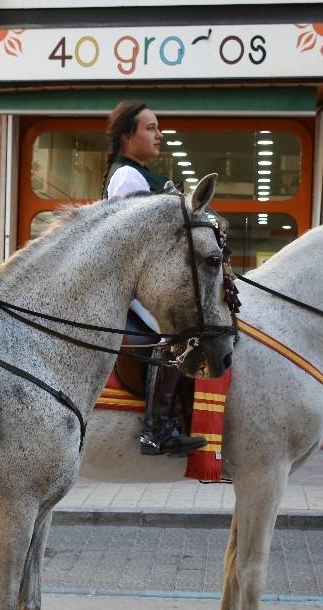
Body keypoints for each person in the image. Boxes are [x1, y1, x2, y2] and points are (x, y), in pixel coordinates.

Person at [104, 101, 206, 457]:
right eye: (150, 128)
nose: (158, 134)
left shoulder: (141, 174)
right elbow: (137, 240)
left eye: (157, 127)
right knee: (177, 332)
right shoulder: (127, 177)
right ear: (127, 135)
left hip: (147, 279)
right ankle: (157, 427)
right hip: (134, 283)